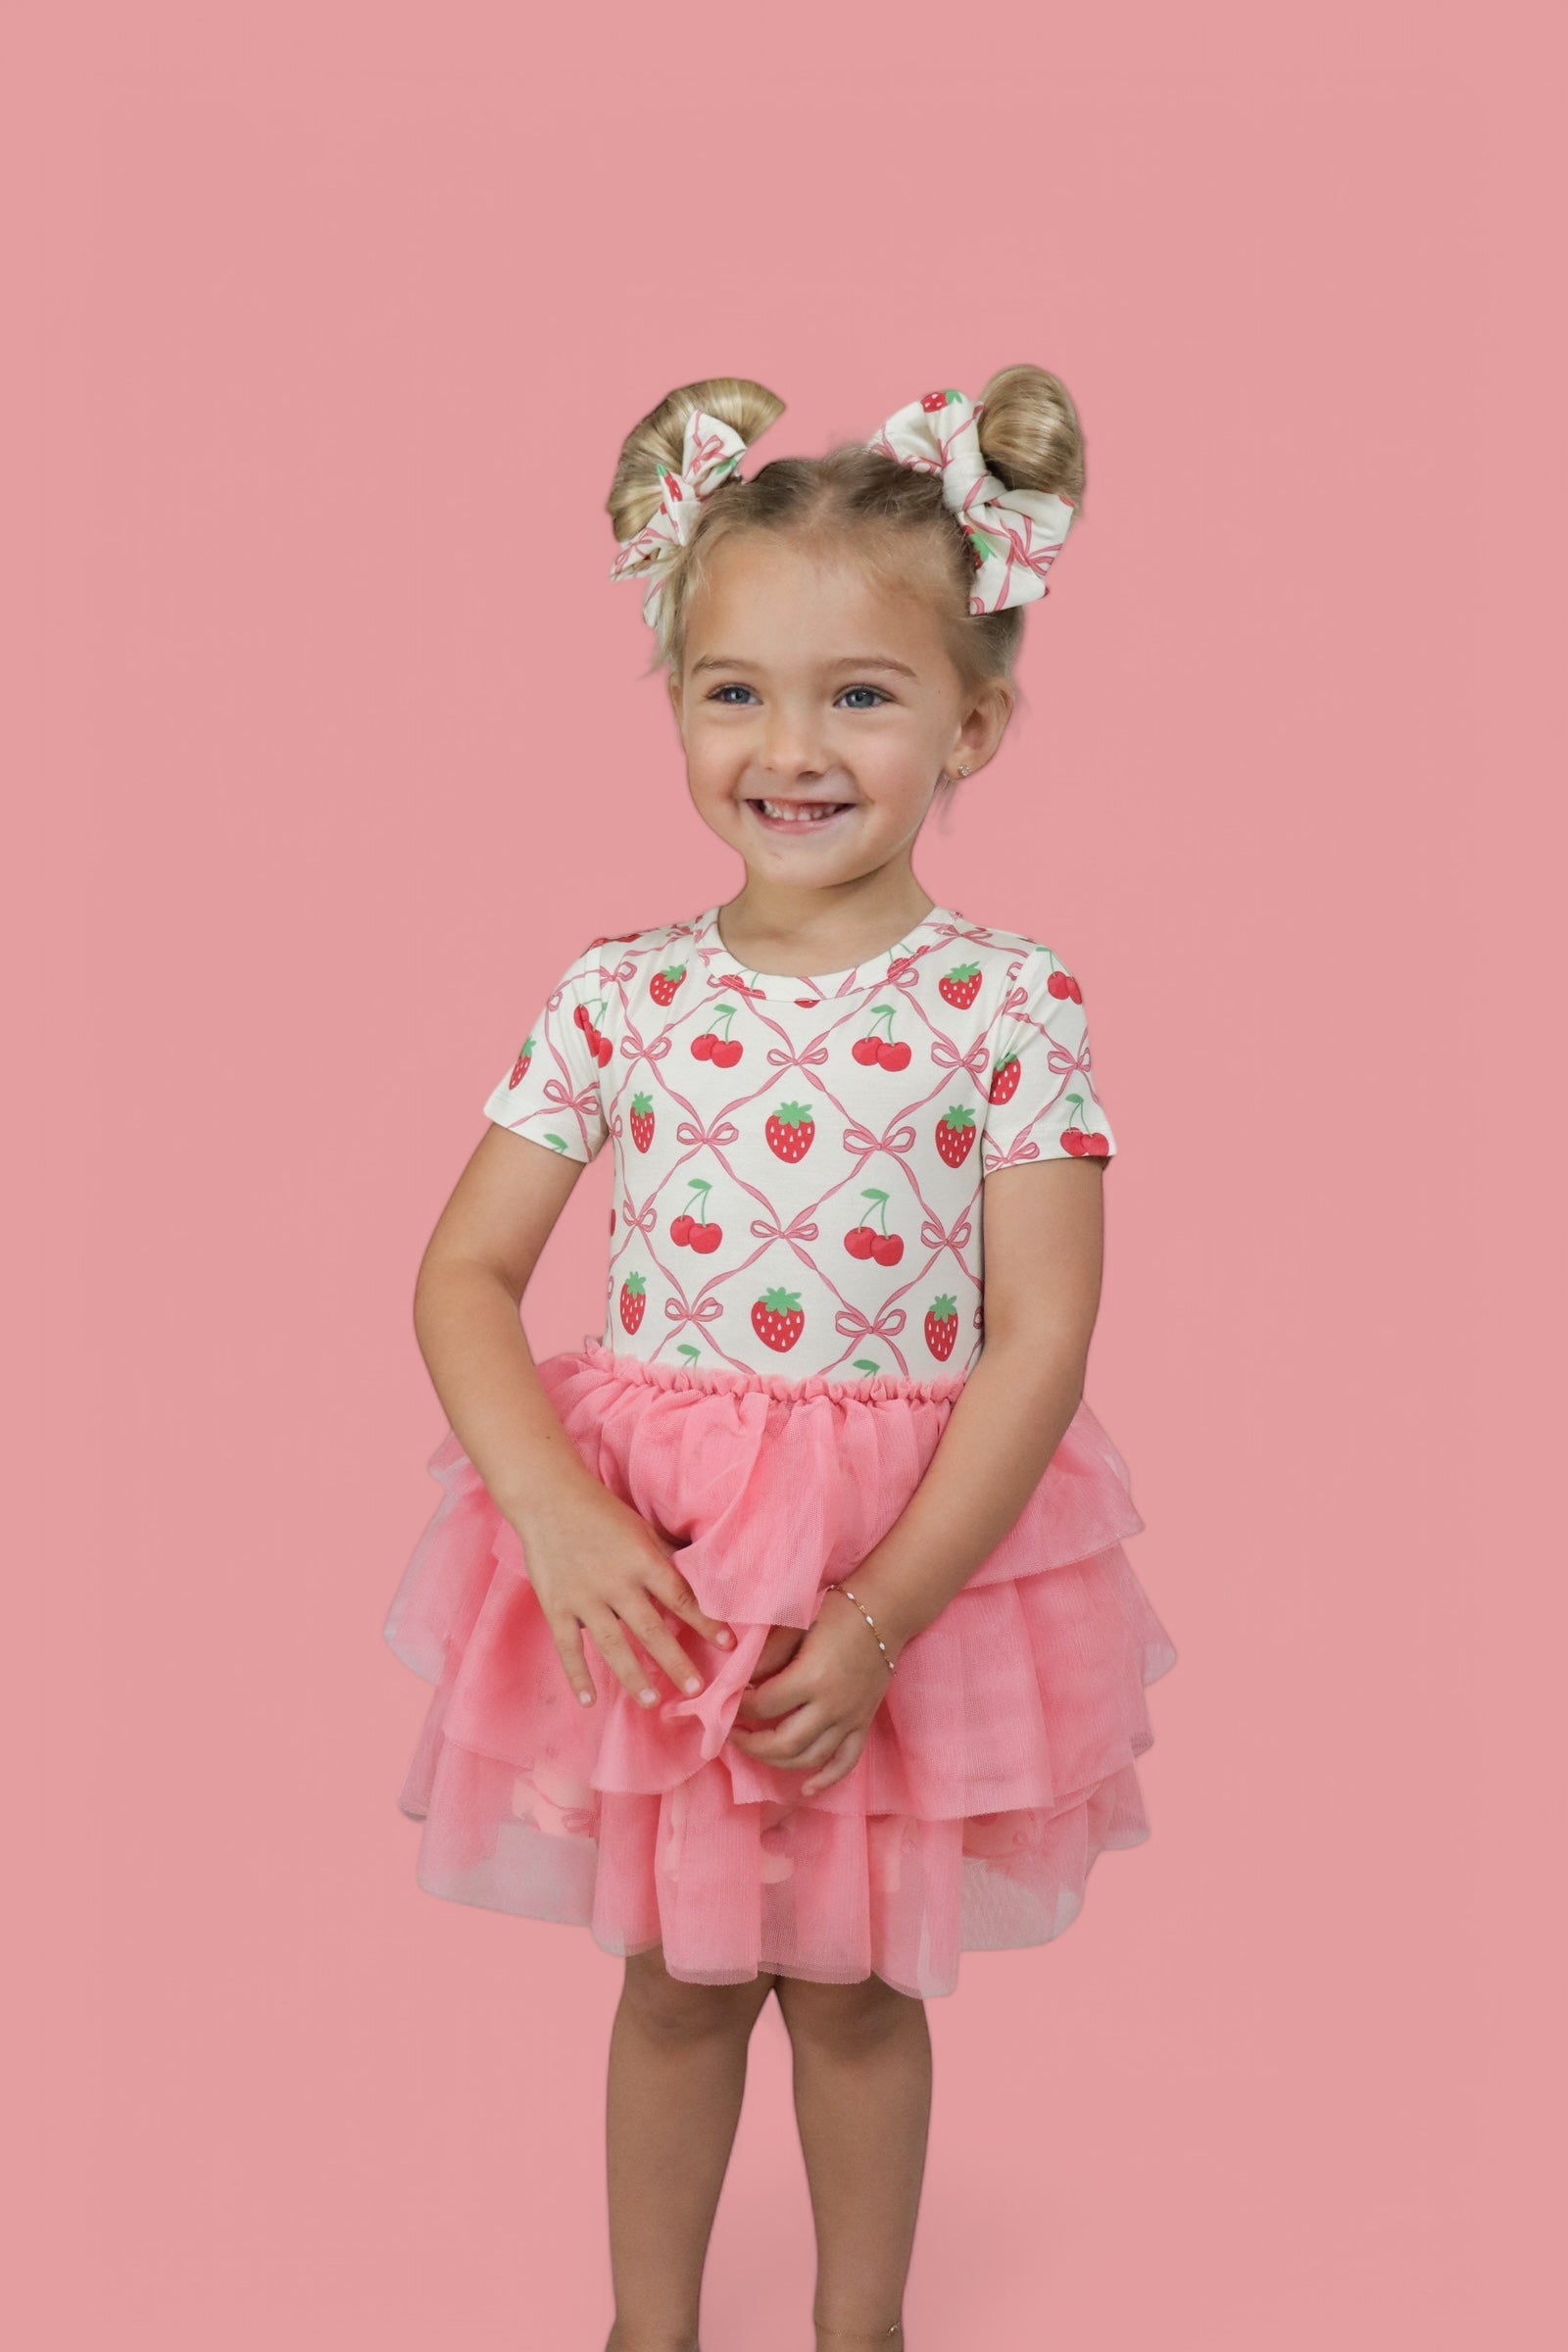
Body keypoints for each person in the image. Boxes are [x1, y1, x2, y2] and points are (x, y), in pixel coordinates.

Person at [383, 368, 1178, 2352]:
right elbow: (465, 1274)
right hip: (660, 1566)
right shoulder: (619, 994)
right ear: (673, 700)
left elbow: (1041, 1334)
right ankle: (645, 2334)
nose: (790, 747)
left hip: (896, 1570)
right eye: (733, 689)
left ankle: (859, 2332)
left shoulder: (1007, 1002)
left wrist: (891, 1608)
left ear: (968, 724)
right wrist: (558, 1520)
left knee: (854, 1988)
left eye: (861, 694)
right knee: (673, 1981)